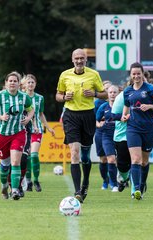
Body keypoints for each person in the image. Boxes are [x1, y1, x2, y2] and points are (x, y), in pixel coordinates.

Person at [56, 48, 107, 203]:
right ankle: (77, 191)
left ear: (86, 60)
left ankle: (85, 182)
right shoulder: (65, 75)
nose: (79, 61)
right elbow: (58, 96)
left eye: (82, 58)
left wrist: (95, 94)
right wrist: (65, 97)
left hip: (88, 115)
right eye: (76, 58)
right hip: (71, 116)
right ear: (72, 59)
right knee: (75, 153)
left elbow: (104, 94)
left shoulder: (94, 74)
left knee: (85, 155)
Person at [121, 63, 153, 200]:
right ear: (130, 75)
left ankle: (142, 184)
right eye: (133, 74)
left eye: (138, 73)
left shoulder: (151, 89)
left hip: (148, 129)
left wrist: (150, 106)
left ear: (142, 74)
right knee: (135, 159)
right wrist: (124, 115)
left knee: (144, 162)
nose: (136, 76)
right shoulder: (127, 91)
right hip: (132, 128)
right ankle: (136, 190)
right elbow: (126, 105)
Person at [0, 71, 34, 200]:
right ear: (6, 83)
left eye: (15, 81)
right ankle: (3, 186)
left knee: (15, 162)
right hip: (2, 135)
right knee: (5, 165)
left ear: (19, 84)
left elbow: (31, 109)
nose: (12, 83)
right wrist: (0, 117)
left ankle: (15, 189)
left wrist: (28, 118)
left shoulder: (24, 97)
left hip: (18, 133)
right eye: (10, 81)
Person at [23, 74, 55, 192]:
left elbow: (41, 114)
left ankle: (36, 180)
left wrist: (49, 127)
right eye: (28, 82)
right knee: (26, 156)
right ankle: (28, 181)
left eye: (32, 82)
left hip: (37, 130)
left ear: (35, 84)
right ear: (25, 84)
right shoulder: (21, 97)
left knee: (34, 155)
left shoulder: (39, 98)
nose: (30, 84)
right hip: (24, 130)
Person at [96, 85, 120, 192]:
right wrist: (99, 125)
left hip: (120, 135)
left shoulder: (122, 106)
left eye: (114, 92)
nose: (112, 94)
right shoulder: (103, 107)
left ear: (118, 93)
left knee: (122, 161)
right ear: (108, 94)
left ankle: (123, 180)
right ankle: (112, 183)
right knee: (110, 159)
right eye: (110, 92)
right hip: (107, 136)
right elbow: (96, 120)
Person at [94, 80, 113, 190]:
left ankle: (114, 179)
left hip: (114, 132)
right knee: (103, 159)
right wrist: (99, 122)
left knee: (114, 158)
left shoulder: (117, 102)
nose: (108, 91)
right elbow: (93, 119)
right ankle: (105, 180)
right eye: (105, 89)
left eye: (109, 89)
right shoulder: (97, 103)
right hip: (100, 132)